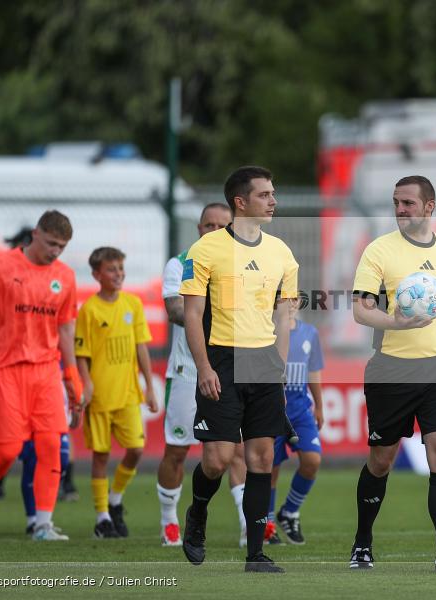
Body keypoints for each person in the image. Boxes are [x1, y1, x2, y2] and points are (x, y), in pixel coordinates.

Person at [349, 175, 436, 572]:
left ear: (430, 207)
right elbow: (361, 309)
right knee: (381, 460)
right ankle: (362, 543)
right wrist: (397, 323)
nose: (400, 210)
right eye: (396, 202)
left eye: (408, 203)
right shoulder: (378, 251)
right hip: (391, 370)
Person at [180, 165, 298, 573]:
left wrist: (279, 369)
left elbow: (284, 316)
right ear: (240, 202)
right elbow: (193, 315)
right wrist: (204, 367)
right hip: (222, 359)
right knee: (216, 459)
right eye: (265, 194)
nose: (273, 200)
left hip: (263, 361)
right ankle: (197, 512)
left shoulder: (282, 253)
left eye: (273, 192)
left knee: (262, 459)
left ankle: (256, 554)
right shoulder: (206, 250)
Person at [0, 210, 83, 541]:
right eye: (51, 243)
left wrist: (71, 377)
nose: (55, 251)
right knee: (7, 450)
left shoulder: (65, 276)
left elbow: (65, 328)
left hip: (46, 371)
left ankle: (42, 524)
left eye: (61, 246)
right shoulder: (1, 266)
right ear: (35, 234)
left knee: (52, 446)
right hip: (7, 370)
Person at [157, 202, 251, 547]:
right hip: (187, 371)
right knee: (177, 450)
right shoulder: (180, 264)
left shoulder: (242, 267)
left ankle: (246, 525)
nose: (214, 230)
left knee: (236, 451)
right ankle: (169, 520)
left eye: (221, 225)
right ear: (198, 229)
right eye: (208, 225)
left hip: (228, 371)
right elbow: (176, 310)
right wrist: (212, 310)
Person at [76, 247, 159, 538]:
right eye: (112, 269)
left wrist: (149, 386)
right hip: (100, 396)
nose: (118, 274)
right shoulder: (89, 309)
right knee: (100, 456)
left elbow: (141, 347)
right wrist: (86, 385)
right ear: (97, 274)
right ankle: (102, 518)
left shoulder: (132, 304)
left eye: (121, 269)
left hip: (128, 394)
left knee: (136, 449)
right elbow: (81, 354)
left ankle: (115, 499)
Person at [266, 299, 324, 545]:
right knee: (271, 468)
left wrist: (319, 405)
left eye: (294, 298)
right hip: (273, 408)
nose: (290, 304)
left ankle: (289, 511)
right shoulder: (267, 332)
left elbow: (313, 372)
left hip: (300, 409)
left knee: (312, 460)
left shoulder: (310, 333)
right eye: (283, 299)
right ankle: (267, 522)